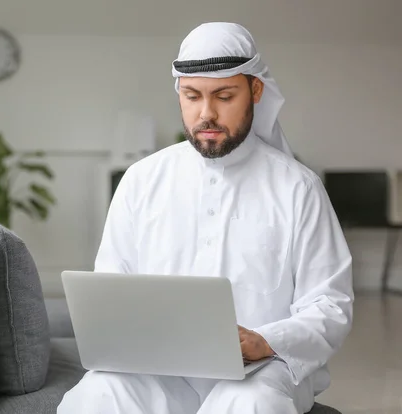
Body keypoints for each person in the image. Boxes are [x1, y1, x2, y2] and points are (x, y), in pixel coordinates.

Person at [57, 22, 354, 414]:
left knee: (250, 402)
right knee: (95, 394)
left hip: (263, 369)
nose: (206, 114)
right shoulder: (142, 181)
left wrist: (266, 341)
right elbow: (112, 288)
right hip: (159, 371)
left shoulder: (298, 188)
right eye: (192, 96)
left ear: (255, 91)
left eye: (224, 96)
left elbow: (330, 304)